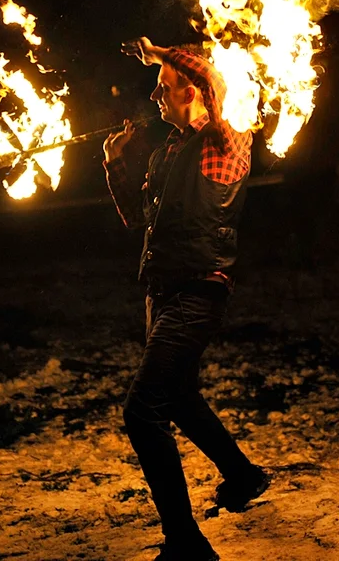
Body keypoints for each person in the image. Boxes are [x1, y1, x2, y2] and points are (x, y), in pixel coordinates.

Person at [103, 37, 268, 561]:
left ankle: (185, 544)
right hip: (162, 288)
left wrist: (160, 52)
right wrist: (115, 164)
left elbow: (219, 80)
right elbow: (139, 219)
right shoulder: (167, 150)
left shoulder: (226, 138)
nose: (154, 95)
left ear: (192, 91)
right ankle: (242, 477)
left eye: (164, 86)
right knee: (176, 398)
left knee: (142, 411)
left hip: (199, 289)